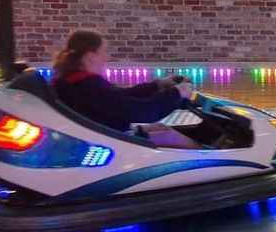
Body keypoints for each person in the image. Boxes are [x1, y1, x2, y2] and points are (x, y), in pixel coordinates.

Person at [52, 30, 196, 146]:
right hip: (107, 142)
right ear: (90, 56)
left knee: (161, 128)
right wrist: (178, 93)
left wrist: (157, 85)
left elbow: (120, 97)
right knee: (170, 137)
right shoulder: (88, 85)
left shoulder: (72, 80)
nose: (107, 57)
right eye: (103, 52)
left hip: (103, 132)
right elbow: (143, 111)